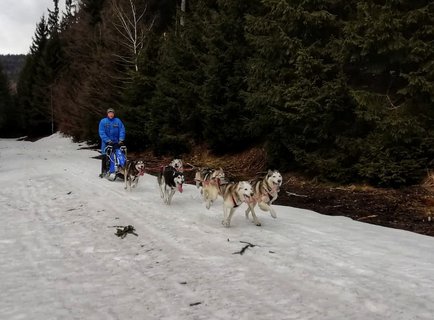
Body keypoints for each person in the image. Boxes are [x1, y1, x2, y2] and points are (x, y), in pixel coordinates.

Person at [98, 108, 126, 177]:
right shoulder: (103, 121)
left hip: (116, 142)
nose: (111, 114)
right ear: (107, 114)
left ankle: (122, 169)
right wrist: (107, 140)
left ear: (114, 114)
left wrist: (121, 139)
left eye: (112, 113)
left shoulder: (118, 121)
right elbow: (101, 132)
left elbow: (122, 130)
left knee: (119, 155)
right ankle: (104, 171)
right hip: (106, 143)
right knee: (105, 155)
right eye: (109, 113)